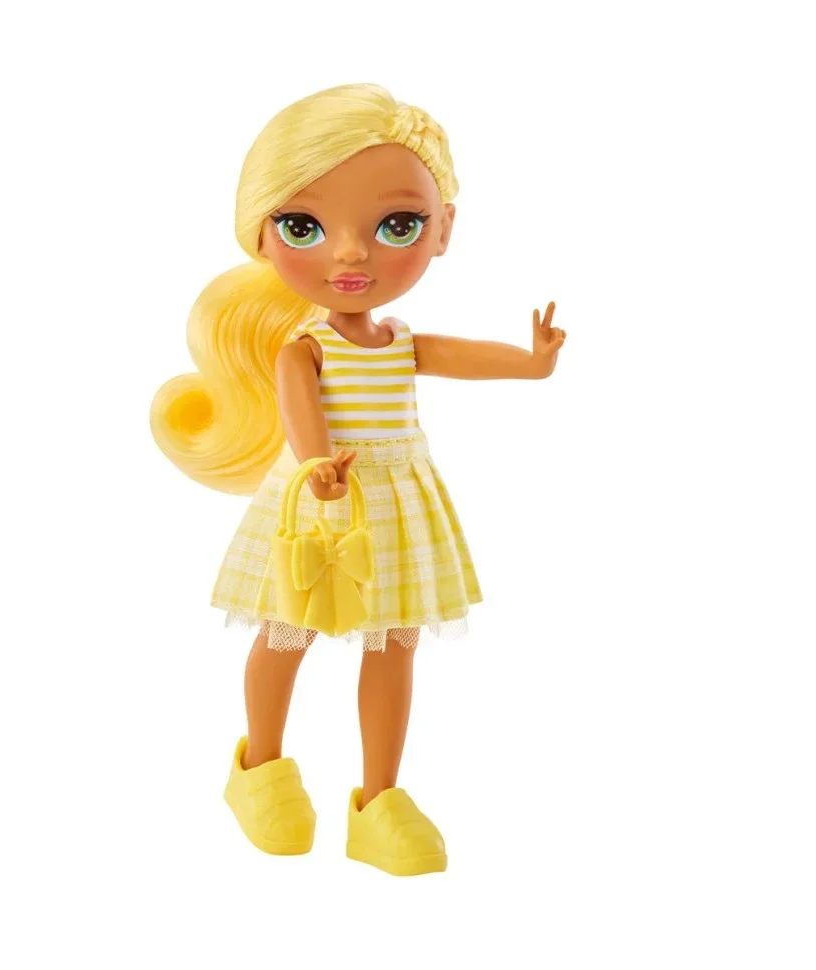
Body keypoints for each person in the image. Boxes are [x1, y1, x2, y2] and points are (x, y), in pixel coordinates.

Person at [151, 82, 566, 876]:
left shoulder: (399, 341)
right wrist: (318, 472)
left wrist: (531, 363)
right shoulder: (304, 349)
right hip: (317, 506)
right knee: (289, 630)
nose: (348, 254)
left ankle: (379, 801)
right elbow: (302, 415)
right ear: (262, 235)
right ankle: (260, 769)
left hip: (397, 504)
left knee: (394, 645)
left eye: (395, 225)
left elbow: (458, 357)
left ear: (443, 229)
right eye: (303, 226)